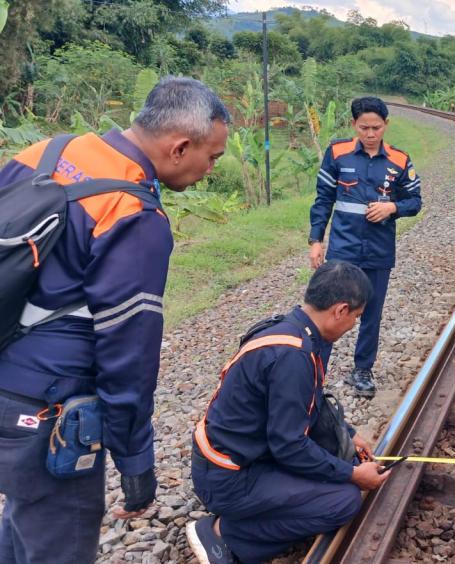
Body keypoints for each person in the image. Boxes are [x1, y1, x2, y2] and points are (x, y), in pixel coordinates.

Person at [0, 76, 229, 563]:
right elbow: (128, 355)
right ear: (180, 146)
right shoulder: (133, 213)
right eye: (212, 158)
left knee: (23, 520)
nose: (210, 169)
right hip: (51, 411)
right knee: (57, 539)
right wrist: (134, 460)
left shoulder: (47, 151)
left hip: (6, 384)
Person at [187, 260, 391, 564]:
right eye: (356, 317)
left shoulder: (293, 329)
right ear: (340, 310)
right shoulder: (294, 356)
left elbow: (306, 403)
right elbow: (289, 446)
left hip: (235, 459)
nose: (353, 326)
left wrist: (348, 433)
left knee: (341, 459)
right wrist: (351, 475)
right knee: (343, 501)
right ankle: (222, 534)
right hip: (229, 479)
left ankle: (249, 513)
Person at [308, 96, 422, 399]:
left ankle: (362, 370)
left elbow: (415, 201)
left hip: (378, 252)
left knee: (371, 312)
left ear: (386, 125)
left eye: (376, 128)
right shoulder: (337, 153)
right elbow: (323, 200)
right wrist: (316, 240)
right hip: (342, 251)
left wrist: (392, 208)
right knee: (328, 310)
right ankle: (315, 371)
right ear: (353, 125)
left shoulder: (399, 160)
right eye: (364, 128)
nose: (370, 134)